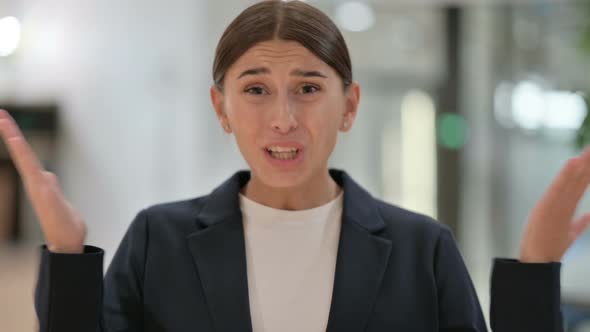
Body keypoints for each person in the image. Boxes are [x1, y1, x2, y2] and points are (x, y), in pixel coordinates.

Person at [0, 1, 588, 331]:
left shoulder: (422, 248)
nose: (282, 118)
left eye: (308, 87)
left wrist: (534, 271)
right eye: (256, 90)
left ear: (349, 105)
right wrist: (69, 257)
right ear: (221, 108)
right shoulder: (160, 239)